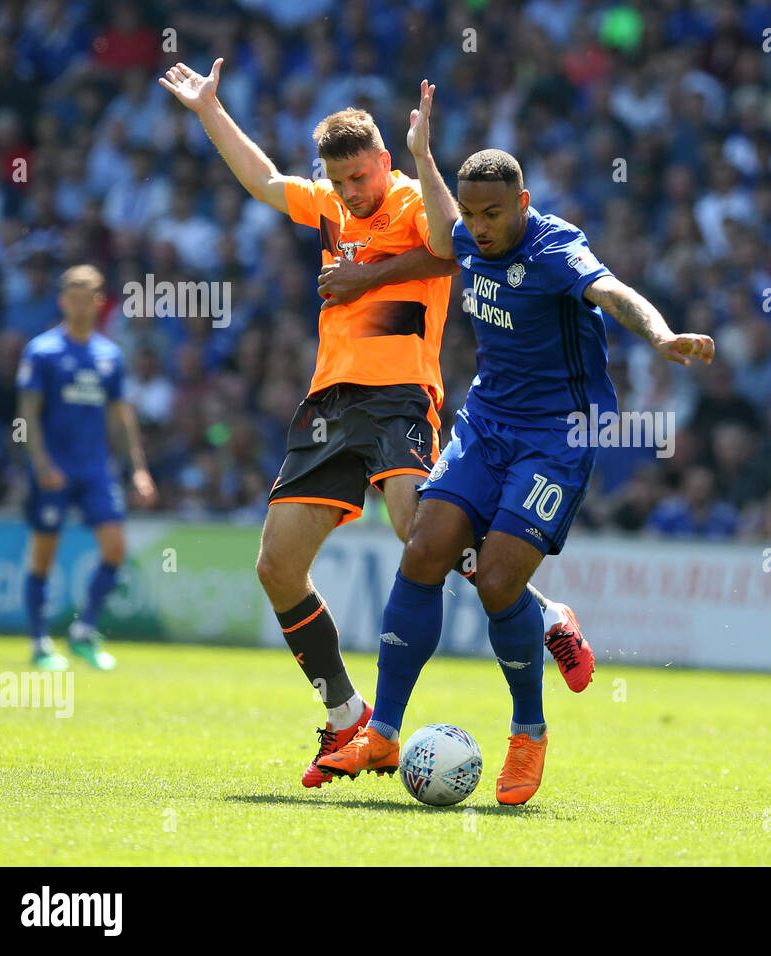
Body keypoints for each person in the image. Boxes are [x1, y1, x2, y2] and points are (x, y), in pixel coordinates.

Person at [160, 60, 593, 791]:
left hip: (399, 394)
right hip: (330, 400)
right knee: (276, 566)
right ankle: (345, 713)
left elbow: (446, 253)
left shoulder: (409, 200)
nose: (353, 192)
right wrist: (209, 109)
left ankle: (544, 611)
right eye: (342, 181)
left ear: (383, 162)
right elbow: (265, 182)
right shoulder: (330, 204)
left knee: (412, 529)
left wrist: (366, 276)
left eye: (362, 176)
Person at [319, 80, 715, 805]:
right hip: (487, 422)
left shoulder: (557, 248)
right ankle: (385, 728)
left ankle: (527, 734)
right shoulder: (468, 232)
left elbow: (613, 291)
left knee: (498, 580)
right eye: (472, 214)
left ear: (523, 204)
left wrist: (660, 335)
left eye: (494, 213)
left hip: (559, 438)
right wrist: (424, 157)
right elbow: (442, 228)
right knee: (425, 546)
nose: (480, 227)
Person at [17, 264, 157, 671]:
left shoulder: (109, 355)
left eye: (88, 296)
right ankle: (40, 641)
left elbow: (121, 416)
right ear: (63, 301)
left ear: (98, 302)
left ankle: (83, 632)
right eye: (73, 296)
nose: (80, 304)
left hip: (95, 469)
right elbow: (26, 415)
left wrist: (138, 469)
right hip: (53, 470)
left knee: (115, 550)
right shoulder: (42, 351)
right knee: (43, 556)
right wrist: (40, 463)